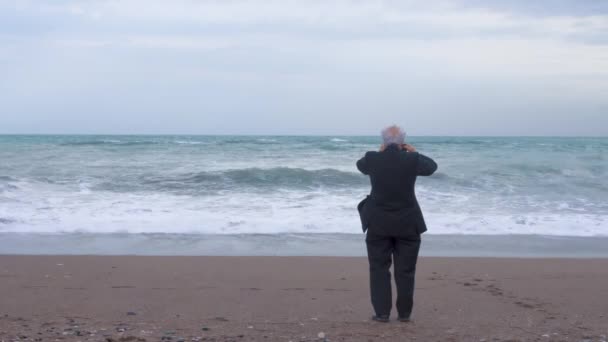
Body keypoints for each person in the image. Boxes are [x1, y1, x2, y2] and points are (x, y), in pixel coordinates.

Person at [356, 125, 437, 323]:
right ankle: (404, 314)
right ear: (403, 141)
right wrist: (414, 151)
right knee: (406, 270)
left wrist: (380, 150)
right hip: (408, 223)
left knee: (378, 268)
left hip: (378, 223)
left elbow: (360, 165)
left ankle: (382, 313)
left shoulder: (372, 158)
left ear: (383, 141)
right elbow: (432, 167)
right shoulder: (412, 159)